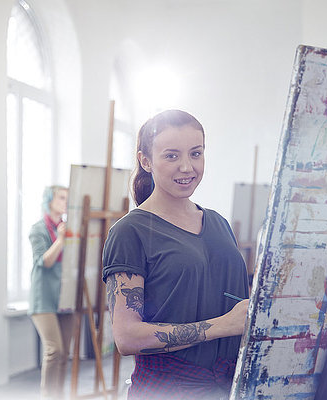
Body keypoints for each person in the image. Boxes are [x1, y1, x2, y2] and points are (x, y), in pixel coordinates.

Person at [102, 110, 250, 400]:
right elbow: (127, 337)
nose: (187, 167)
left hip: (232, 388)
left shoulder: (219, 223)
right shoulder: (130, 231)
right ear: (145, 161)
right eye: (171, 156)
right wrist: (222, 326)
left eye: (196, 154)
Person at [28, 185, 73, 399]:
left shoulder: (65, 227)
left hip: (65, 296)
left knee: (64, 353)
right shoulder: (38, 229)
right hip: (43, 298)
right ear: (49, 200)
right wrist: (62, 240)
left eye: (67, 198)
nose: (66, 202)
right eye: (61, 198)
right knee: (53, 350)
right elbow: (45, 262)